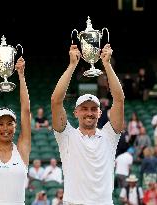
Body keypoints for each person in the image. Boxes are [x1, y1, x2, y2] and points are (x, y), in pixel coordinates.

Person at [51, 44, 125, 205]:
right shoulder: (67, 136)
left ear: (100, 113)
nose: (89, 113)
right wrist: (72, 65)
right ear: (76, 113)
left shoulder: (109, 136)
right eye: (84, 109)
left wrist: (107, 65)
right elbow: (56, 101)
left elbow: (119, 100)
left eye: (93, 109)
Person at [0, 56, 31, 205]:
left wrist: (21, 76)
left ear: (15, 126)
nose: (5, 128)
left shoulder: (22, 149)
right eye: (0, 124)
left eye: (10, 123)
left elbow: (26, 110)